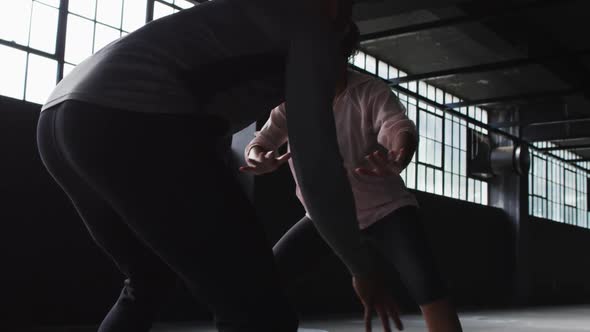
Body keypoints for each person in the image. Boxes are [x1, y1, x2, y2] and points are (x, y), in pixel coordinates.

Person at [36, 0, 398, 331]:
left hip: (60, 118)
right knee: (260, 308)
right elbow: (316, 163)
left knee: (150, 278)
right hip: (131, 119)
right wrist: (360, 267)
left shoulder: (249, 23)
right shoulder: (314, 31)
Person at [240, 23, 464, 332]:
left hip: (386, 209)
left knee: (427, 284)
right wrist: (259, 158)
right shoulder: (292, 103)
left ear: (344, 54)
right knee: (268, 279)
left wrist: (399, 153)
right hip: (324, 214)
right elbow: (260, 142)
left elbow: (397, 126)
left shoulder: (369, 91)